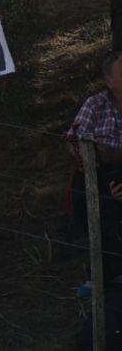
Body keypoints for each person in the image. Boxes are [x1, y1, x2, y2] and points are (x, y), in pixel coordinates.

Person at [65, 52, 122, 286]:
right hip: (100, 172)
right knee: (95, 195)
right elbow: (73, 140)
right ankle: (108, 273)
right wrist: (92, 155)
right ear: (109, 81)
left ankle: (103, 275)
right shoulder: (95, 104)